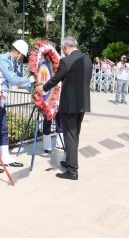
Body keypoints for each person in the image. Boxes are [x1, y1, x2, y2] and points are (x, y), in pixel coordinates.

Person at [35, 36, 92, 180]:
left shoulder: (66, 61)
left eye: (63, 49)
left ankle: (72, 170)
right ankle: (69, 161)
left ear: (65, 47)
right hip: (82, 104)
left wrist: (43, 87)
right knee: (74, 135)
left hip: (70, 104)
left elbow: (55, 79)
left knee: (70, 136)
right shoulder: (87, 59)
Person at [0, 40, 35, 173]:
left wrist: (35, 90)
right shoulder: (3, 59)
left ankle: (5, 157)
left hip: (2, 100)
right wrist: (30, 80)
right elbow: (14, 79)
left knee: (3, 129)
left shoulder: (13, 62)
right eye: (22, 56)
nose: (22, 59)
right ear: (18, 52)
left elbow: (20, 79)